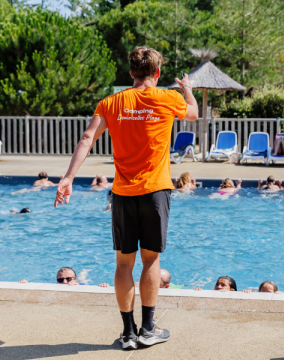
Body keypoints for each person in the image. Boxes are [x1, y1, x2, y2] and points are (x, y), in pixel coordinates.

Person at [54, 46, 199, 350]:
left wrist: (68, 178)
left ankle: (128, 333)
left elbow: (86, 138)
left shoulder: (111, 102)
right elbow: (194, 114)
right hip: (156, 192)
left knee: (123, 264)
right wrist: (187, 89)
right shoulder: (168, 98)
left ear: (131, 73)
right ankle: (148, 329)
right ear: (157, 73)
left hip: (122, 193)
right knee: (151, 260)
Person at [18, 267, 109, 287]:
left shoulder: (81, 286)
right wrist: (24, 284)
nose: (65, 282)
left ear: (74, 280)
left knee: (83, 279)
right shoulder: (52, 286)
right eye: (61, 280)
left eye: (69, 279)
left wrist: (103, 286)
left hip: (80, 283)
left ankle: (84, 272)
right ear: (57, 281)